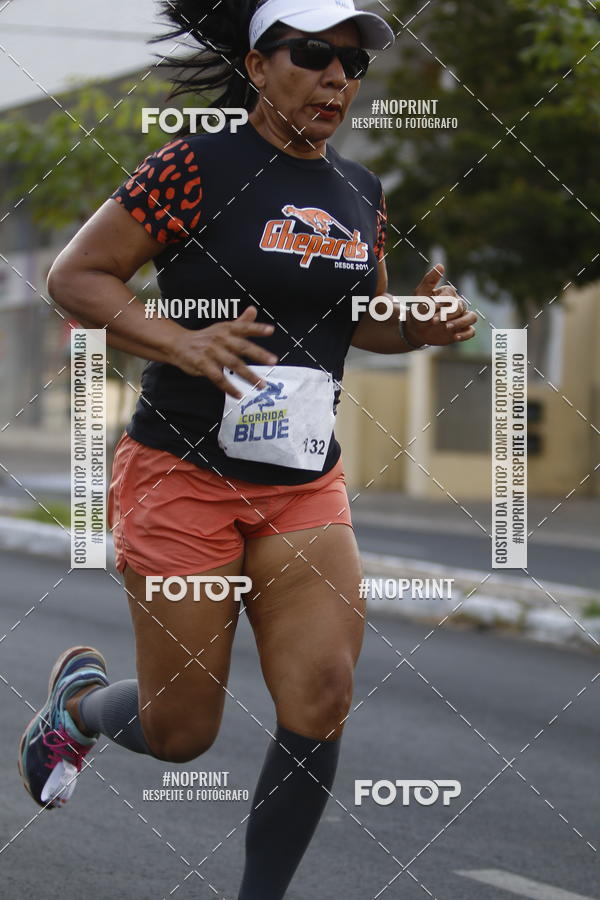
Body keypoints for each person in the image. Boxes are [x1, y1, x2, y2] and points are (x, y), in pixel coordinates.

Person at [19, 1, 478, 896]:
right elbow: (77, 275)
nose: (336, 77)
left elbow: (354, 319)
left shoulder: (360, 189)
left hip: (303, 482)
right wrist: (180, 340)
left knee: (323, 695)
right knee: (182, 732)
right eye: (312, 55)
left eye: (352, 64)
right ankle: (77, 708)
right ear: (257, 66)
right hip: (180, 475)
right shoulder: (195, 166)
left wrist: (414, 325)